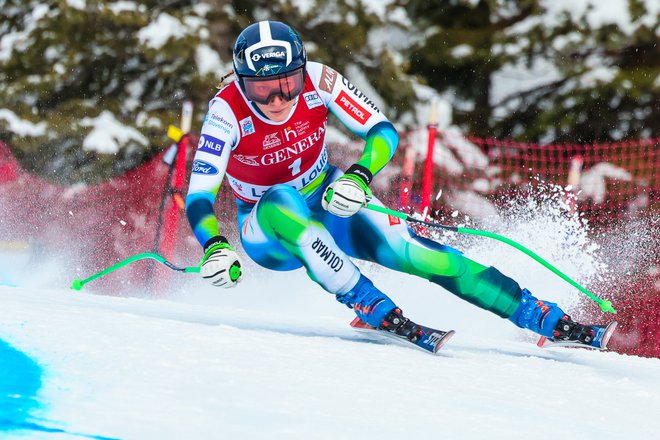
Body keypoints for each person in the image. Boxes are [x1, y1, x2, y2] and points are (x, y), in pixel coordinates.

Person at [185, 20, 612, 349]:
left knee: (421, 255)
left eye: (287, 85)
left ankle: (540, 316)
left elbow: (382, 131)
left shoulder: (320, 78)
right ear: (242, 83)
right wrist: (214, 246)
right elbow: (199, 196)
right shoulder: (226, 112)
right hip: (268, 231)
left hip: (329, 198)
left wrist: (359, 175)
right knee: (281, 199)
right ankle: (368, 303)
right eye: (263, 89)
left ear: (301, 71)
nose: (278, 99)